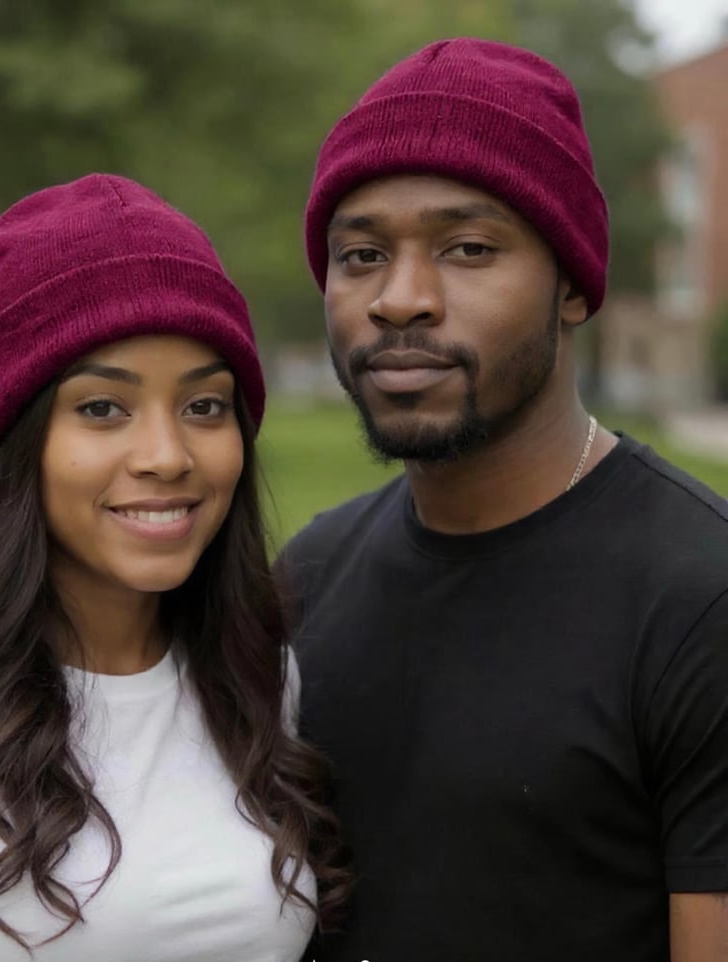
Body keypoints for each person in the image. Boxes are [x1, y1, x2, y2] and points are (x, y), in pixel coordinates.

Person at [280, 37, 728, 962]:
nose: (400, 300)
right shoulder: (306, 578)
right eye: (361, 253)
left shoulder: (700, 601)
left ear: (571, 285)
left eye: (469, 248)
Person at [0, 174, 349, 962]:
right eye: (103, 408)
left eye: (205, 406)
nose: (168, 457)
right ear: (19, 438)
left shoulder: (259, 676)